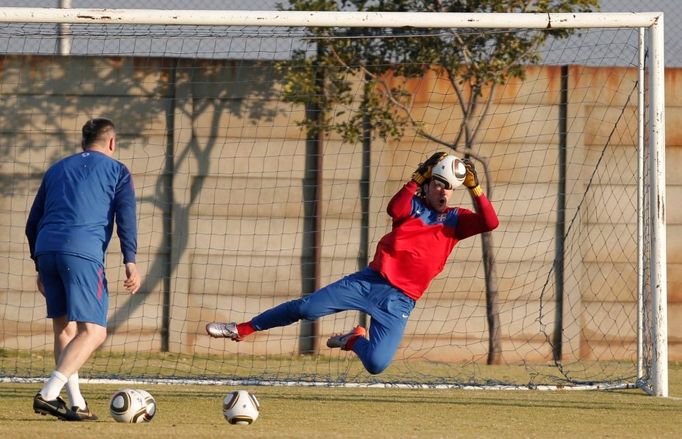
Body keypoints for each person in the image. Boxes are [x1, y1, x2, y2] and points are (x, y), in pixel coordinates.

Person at [206, 152, 498, 375]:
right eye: (439, 184)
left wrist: (476, 188)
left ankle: (353, 339)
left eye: (450, 188)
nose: (444, 192)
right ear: (428, 184)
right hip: (369, 283)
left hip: (400, 301)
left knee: (376, 364)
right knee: (307, 307)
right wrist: (416, 178)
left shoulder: (456, 219)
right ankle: (242, 328)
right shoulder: (413, 206)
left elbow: (490, 222)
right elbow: (393, 208)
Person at [25, 118, 141, 421]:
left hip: (46, 249)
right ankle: (49, 394)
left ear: (82, 143)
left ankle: (76, 403)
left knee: (64, 328)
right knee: (94, 331)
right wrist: (130, 260)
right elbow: (126, 217)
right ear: (112, 142)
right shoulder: (118, 171)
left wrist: (39, 264)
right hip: (82, 253)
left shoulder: (56, 169)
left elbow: (31, 223)